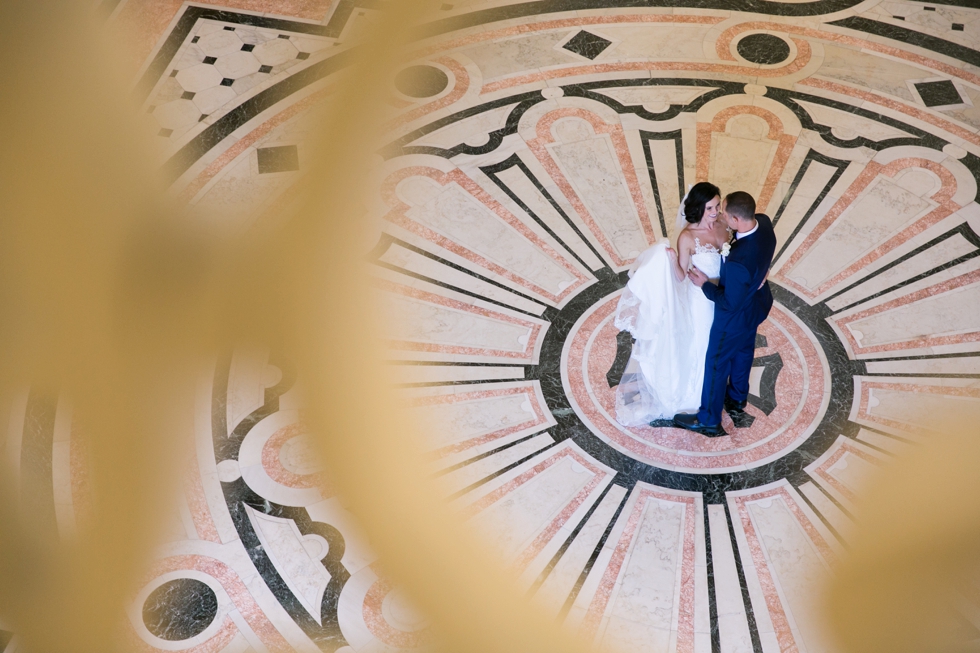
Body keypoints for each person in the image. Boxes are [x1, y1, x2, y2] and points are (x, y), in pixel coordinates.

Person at [612, 182, 730, 425]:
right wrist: (675, 260)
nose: (715, 212)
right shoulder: (688, 237)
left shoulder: (723, 226)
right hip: (701, 301)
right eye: (710, 208)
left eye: (717, 205)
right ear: (699, 208)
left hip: (724, 295)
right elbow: (680, 276)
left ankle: (715, 387)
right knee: (704, 345)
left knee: (722, 343)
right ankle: (699, 395)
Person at [672, 191, 777, 437]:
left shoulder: (739, 260)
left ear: (736, 220)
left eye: (724, 213)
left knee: (716, 363)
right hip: (756, 307)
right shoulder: (764, 223)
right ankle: (737, 398)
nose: (720, 215)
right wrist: (762, 272)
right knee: (743, 353)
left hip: (733, 318)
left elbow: (728, 302)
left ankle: (708, 419)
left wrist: (704, 284)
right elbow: (763, 254)